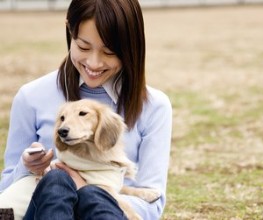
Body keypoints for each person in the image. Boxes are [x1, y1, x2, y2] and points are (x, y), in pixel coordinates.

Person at [0, 0, 172, 219]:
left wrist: (86, 188)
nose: (94, 63)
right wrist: (27, 168)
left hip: (105, 213)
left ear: (131, 46)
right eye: (83, 47)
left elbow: (151, 206)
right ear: (69, 31)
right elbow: (6, 199)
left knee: (91, 194)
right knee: (56, 181)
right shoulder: (31, 96)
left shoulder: (154, 107)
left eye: (109, 52)